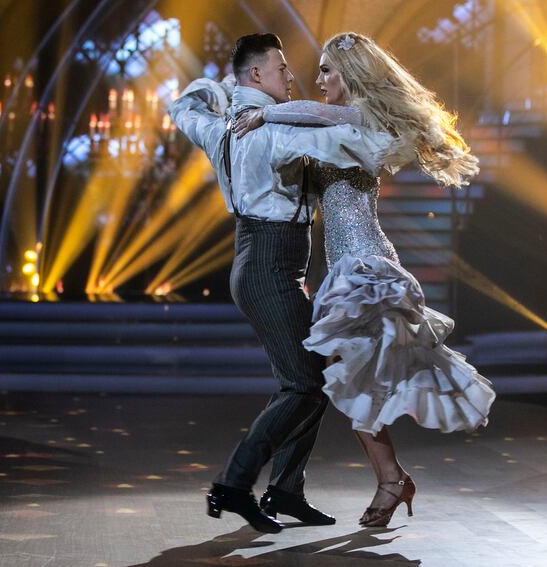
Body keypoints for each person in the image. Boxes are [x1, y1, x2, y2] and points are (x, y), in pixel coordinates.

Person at [232, 32, 496, 528]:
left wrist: (265, 113)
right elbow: (313, 125)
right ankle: (387, 478)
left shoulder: (360, 121)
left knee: (347, 378)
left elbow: (318, 115)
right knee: (346, 380)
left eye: (329, 70)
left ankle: (389, 478)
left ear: (352, 76)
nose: (318, 78)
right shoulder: (344, 127)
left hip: (364, 266)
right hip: (347, 268)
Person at [168, 33, 395, 533]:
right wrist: (384, 122)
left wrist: (219, 91)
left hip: (258, 264)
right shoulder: (275, 132)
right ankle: (234, 482)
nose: (292, 78)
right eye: (282, 69)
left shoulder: (220, 126)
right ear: (257, 77)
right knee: (305, 384)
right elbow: (358, 139)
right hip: (271, 268)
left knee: (311, 377)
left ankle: (287, 490)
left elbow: (182, 105)